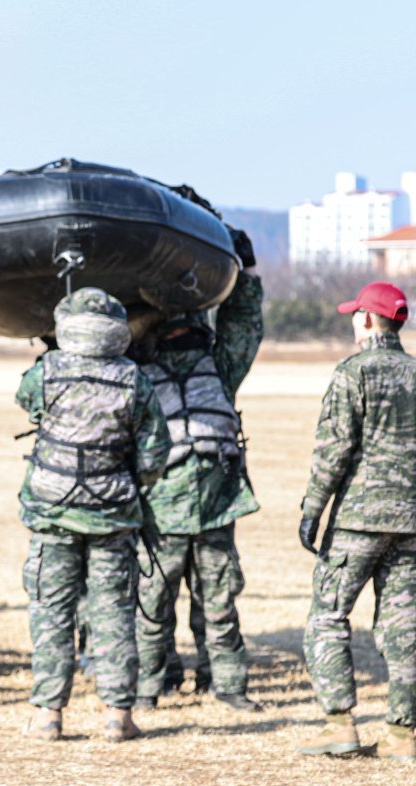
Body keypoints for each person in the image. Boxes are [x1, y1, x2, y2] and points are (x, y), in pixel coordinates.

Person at [297, 280, 416, 761]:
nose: (351, 321)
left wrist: (311, 510)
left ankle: (339, 723)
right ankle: (401, 735)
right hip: (412, 525)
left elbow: (333, 452)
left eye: (354, 314)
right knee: (403, 627)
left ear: (368, 319)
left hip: (357, 522)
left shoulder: (353, 374)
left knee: (326, 617)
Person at [16, 288, 170, 742]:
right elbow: (154, 453)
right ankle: (117, 715)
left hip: (52, 512)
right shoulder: (133, 379)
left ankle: (47, 715)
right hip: (112, 515)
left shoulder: (46, 371)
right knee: (115, 612)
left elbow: (28, 403)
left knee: (51, 611)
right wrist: (124, 482)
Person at [133, 230, 265, 713]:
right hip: (208, 506)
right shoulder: (218, 366)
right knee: (217, 601)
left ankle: (153, 687)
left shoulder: (141, 373)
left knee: (155, 603)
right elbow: (245, 325)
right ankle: (221, 684)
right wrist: (246, 274)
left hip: (173, 510)